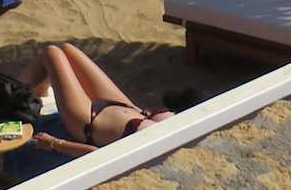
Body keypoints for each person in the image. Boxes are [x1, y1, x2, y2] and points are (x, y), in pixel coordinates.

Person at [19, 43, 178, 151]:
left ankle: (11, 99)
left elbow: (97, 155)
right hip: (128, 109)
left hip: (89, 124)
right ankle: (35, 91)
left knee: (52, 53)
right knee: (68, 49)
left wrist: (54, 143)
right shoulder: (185, 125)